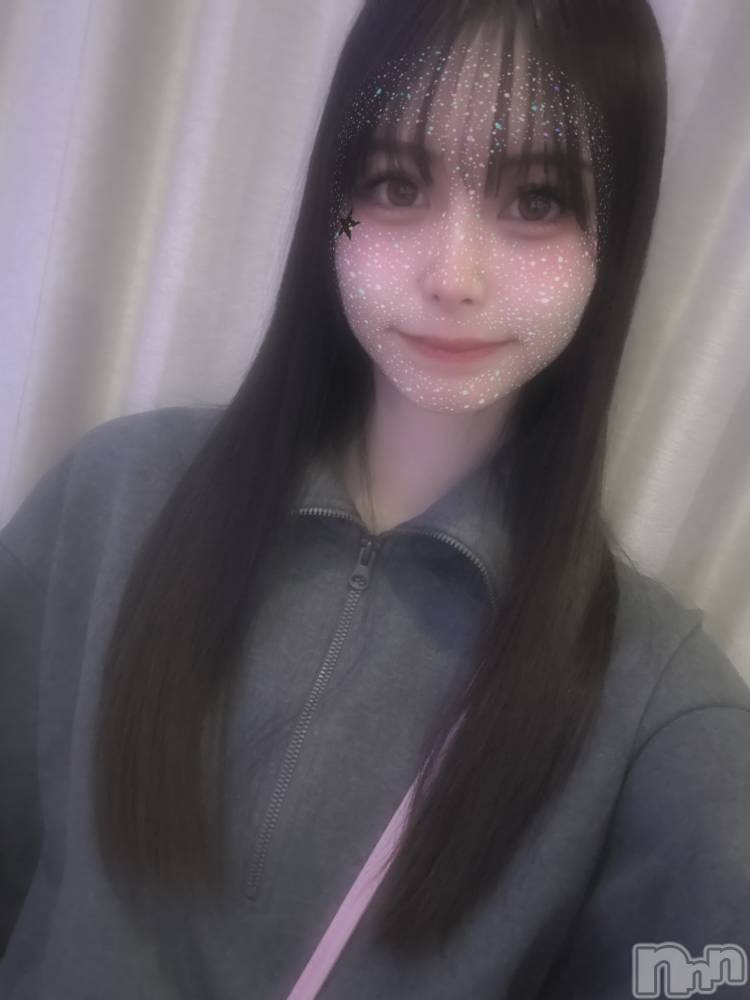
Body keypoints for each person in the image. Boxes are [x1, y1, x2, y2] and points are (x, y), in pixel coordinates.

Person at [1, 1, 748, 998]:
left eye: (537, 199)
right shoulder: (111, 500)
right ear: (333, 200)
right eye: (397, 183)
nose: (454, 275)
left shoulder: (655, 701)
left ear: (614, 241)